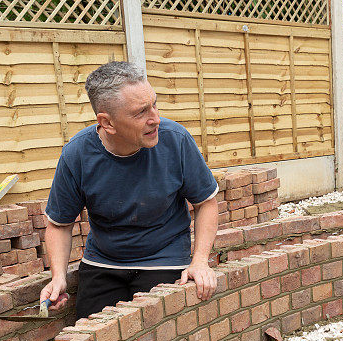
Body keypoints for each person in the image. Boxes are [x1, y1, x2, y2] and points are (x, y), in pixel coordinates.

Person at [39, 61, 219, 320]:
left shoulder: (175, 140)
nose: (155, 118)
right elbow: (59, 225)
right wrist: (58, 277)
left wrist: (199, 262)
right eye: (141, 112)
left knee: (157, 330)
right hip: (104, 261)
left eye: (154, 104)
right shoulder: (77, 154)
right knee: (90, 336)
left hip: (164, 258)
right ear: (107, 123)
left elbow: (206, 203)